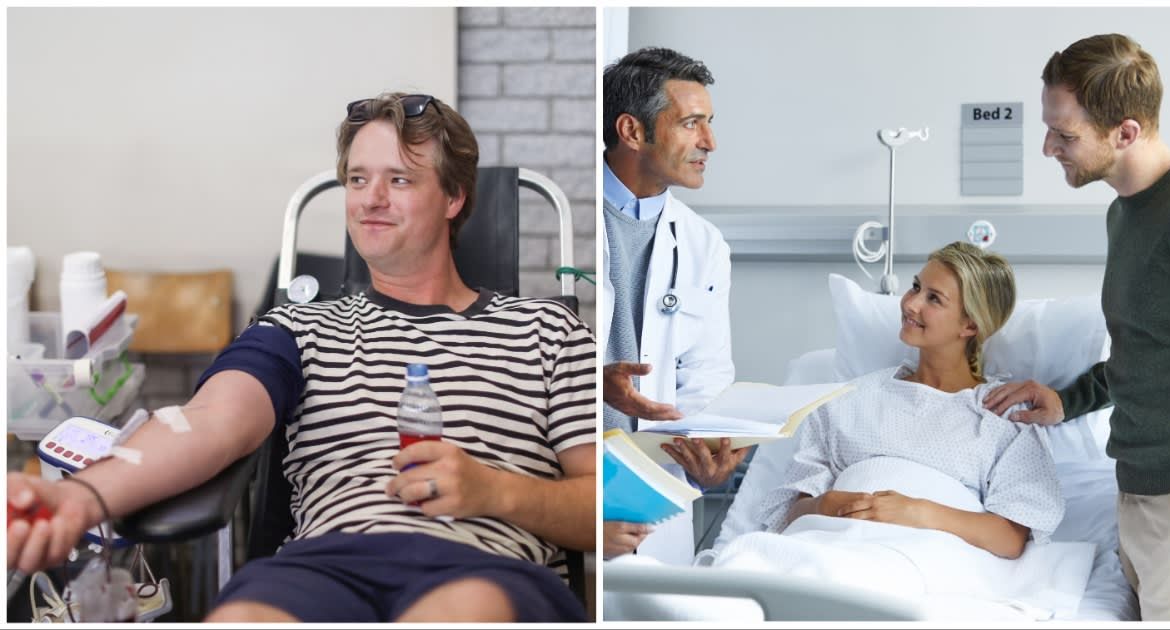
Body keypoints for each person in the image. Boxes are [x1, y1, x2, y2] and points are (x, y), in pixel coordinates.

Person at [7, 93, 596, 623]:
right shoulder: (297, 328)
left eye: (400, 180)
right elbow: (206, 423)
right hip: (323, 570)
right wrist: (80, 498)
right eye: (358, 179)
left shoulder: (545, 330)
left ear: (454, 198)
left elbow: (609, 505)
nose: (371, 200)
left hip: (484, 571)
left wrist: (498, 493)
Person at [982, 33, 1170, 621]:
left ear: (1126, 132)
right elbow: (1148, 349)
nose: (1048, 147)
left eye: (1066, 134)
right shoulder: (1123, 212)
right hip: (1138, 493)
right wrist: (1067, 401)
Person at [761, 242, 1063, 560]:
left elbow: (1010, 538)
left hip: (926, 560)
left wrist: (917, 513)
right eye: (916, 287)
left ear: (970, 325)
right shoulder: (849, 400)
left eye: (933, 298)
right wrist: (823, 505)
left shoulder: (1003, 415)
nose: (911, 304)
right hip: (831, 548)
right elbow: (791, 515)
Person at [600, 47, 745, 564]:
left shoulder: (704, 244)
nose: (710, 142)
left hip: (658, 498)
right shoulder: (568, 221)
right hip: (577, 485)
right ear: (633, 131)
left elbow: (707, 373)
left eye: (708, 123)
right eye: (690, 123)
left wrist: (711, 454)